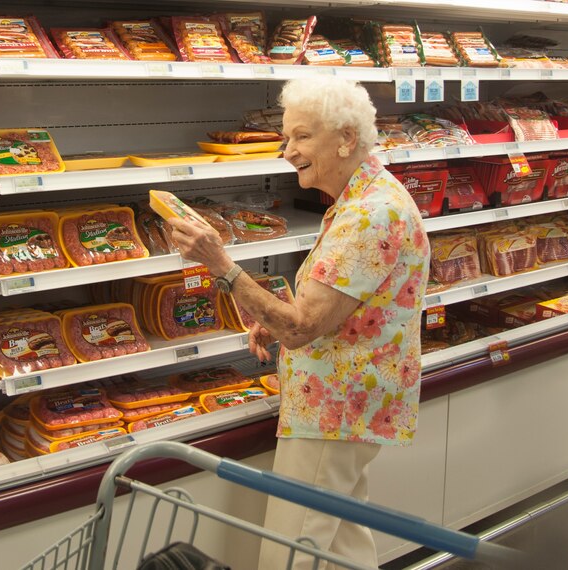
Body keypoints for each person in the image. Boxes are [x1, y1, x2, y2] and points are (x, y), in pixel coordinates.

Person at [167, 76, 430, 569]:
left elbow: (301, 327)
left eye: (302, 136)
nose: (288, 151)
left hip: (334, 412)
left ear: (346, 138)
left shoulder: (369, 214)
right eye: (287, 138)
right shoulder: (364, 196)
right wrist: (277, 312)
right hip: (350, 406)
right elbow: (335, 309)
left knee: (292, 552)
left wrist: (222, 266)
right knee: (342, 550)